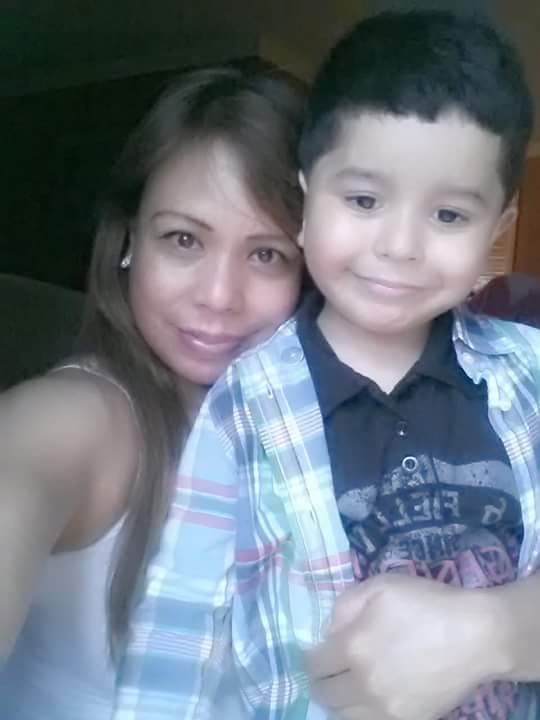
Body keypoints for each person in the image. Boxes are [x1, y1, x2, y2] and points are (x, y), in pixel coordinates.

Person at [114, 9, 540, 720]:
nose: (399, 246)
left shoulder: (530, 374)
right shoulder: (246, 403)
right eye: (365, 199)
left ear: (497, 230)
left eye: (449, 216)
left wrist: (496, 631)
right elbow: (181, 623)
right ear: (308, 201)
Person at [0, 63, 306, 719]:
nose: (218, 297)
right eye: (183, 239)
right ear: (128, 242)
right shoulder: (77, 419)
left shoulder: (304, 441)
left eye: (267, 254)